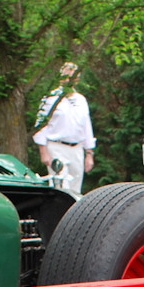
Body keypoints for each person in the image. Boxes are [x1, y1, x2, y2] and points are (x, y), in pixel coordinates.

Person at [33, 62, 96, 196]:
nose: (68, 80)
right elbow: (41, 125)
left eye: (72, 77)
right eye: (66, 77)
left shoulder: (81, 100)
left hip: (76, 149)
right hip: (56, 147)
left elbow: (86, 126)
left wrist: (89, 153)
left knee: (75, 189)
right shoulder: (50, 99)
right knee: (61, 186)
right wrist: (43, 151)